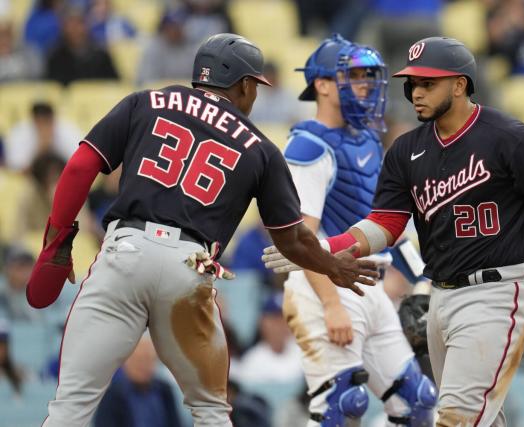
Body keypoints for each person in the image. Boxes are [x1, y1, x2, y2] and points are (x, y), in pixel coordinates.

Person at [264, 36, 524, 427]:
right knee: (480, 416)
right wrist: (320, 250)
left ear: (460, 84)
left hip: (496, 294)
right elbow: (384, 225)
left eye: (428, 83)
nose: (416, 92)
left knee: (454, 419)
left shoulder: (511, 138)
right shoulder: (406, 150)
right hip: (441, 297)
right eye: (412, 84)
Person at [25, 32, 379, 427]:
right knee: (210, 411)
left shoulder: (147, 100)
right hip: (188, 269)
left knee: (71, 405)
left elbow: (78, 168)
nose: (255, 95)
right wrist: (332, 265)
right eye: (254, 86)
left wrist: (58, 239)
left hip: (125, 252)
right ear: (243, 84)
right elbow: (292, 238)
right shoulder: (260, 147)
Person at [280, 34, 436, 427]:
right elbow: (301, 241)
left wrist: (421, 278)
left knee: (417, 402)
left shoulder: (367, 138)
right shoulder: (308, 146)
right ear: (322, 85)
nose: (366, 84)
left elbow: (386, 223)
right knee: (340, 406)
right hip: (326, 285)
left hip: (371, 285)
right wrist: (331, 303)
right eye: (354, 75)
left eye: (369, 75)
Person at [94, 334, 182, 427]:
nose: (144, 365)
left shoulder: (164, 390)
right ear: (126, 362)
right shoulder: (111, 396)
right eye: (139, 359)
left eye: (148, 359)